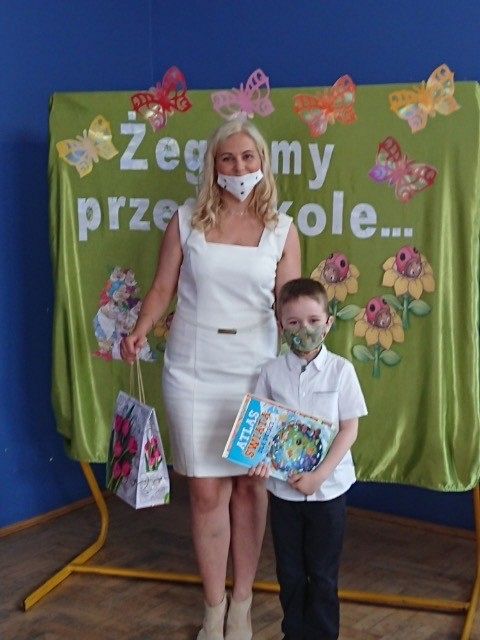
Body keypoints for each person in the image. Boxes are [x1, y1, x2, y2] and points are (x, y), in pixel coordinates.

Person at [121, 118, 301, 640]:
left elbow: (288, 303)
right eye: (228, 158)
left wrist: (305, 356)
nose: (238, 167)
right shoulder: (185, 222)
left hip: (257, 371)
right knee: (204, 492)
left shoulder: (282, 230)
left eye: (248, 157)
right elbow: (162, 289)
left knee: (250, 486)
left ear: (262, 163)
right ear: (213, 165)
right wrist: (140, 329)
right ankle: (213, 607)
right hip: (193, 370)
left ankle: (242, 602)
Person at [250, 278, 367, 640]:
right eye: (294, 322)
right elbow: (261, 426)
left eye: (314, 320)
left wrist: (319, 476)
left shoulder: (342, 371)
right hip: (283, 494)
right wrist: (260, 460)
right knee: (289, 571)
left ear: (328, 323)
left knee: (323, 573)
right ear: (281, 325)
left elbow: (349, 429)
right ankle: (294, 633)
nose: (305, 329)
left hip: (328, 493)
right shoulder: (270, 373)